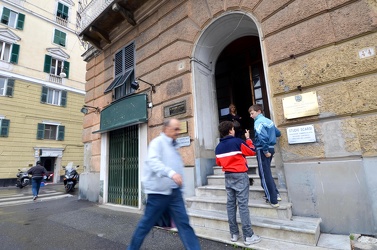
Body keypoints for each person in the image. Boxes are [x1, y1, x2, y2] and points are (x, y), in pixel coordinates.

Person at [127, 119, 201, 250]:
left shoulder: (174, 146)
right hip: (158, 193)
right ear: (166, 129)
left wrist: (180, 187)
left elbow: (178, 167)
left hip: (174, 193)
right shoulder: (157, 143)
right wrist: (171, 173)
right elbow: (154, 162)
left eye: (178, 129)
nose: (178, 132)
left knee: (184, 224)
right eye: (175, 129)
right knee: (145, 225)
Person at [215, 121, 261, 246]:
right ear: (230, 130)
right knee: (242, 205)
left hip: (228, 176)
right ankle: (248, 236)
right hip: (240, 175)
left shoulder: (218, 147)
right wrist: (248, 139)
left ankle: (234, 234)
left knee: (230, 205)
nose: (234, 130)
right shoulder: (237, 142)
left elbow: (219, 163)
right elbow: (252, 151)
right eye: (233, 129)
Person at [248, 104, 281, 208]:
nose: (251, 116)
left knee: (264, 175)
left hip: (263, 149)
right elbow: (278, 133)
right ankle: (276, 194)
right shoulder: (269, 121)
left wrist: (265, 150)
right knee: (267, 172)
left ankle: (272, 199)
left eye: (252, 113)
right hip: (271, 147)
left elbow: (263, 137)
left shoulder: (258, 122)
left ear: (258, 111)